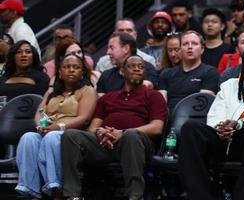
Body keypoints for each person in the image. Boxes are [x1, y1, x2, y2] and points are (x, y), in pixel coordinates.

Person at [178, 43, 244, 199]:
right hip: (223, 139)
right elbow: (214, 116)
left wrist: (239, 124)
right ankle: (200, 195)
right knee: (191, 127)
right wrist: (221, 127)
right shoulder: (228, 86)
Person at [61, 55, 168, 200]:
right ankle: (72, 195)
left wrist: (122, 133)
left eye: (141, 67)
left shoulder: (154, 96)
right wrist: (101, 132)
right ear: (122, 71)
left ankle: (135, 196)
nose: (137, 69)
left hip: (137, 144)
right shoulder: (108, 97)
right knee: (70, 136)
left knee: (131, 135)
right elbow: (93, 128)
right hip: (105, 143)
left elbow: (157, 128)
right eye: (132, 66)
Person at [15, 53, 97, 199]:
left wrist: (58, 127)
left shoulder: (88, 91)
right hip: (48, 131)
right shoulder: (51, 92)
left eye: (75, 67)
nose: (71, 70)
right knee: (28, 138)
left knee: (52, 137)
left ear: (82, 72)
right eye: (66, 67)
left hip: (71, 135)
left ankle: (56, 190)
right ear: (59, 72)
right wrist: (41, 126)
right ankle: (31, 192)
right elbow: (40, 112)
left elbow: (84, 119)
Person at [158, 30, 219, 112]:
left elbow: (202, 105)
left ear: (202, 49)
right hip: (169, 116)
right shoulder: (166, 73)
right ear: (180, 49)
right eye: (185, 44)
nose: (189, 47)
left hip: (195, 116)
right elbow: (160, 104)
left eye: (194, 43)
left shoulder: (210, 72)